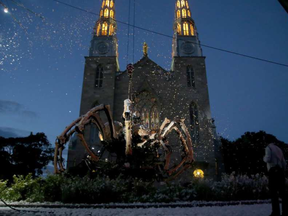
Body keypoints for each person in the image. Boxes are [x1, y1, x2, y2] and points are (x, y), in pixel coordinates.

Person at [263, 143, 287, 216]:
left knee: (273, 193)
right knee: (283, 193)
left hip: (273, 171)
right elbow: (284, 162)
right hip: (280, 171)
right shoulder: (279, 149)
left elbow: (268, 158)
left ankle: (275, 212)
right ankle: (285, 212)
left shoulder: (268, 148)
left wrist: (263, 158)